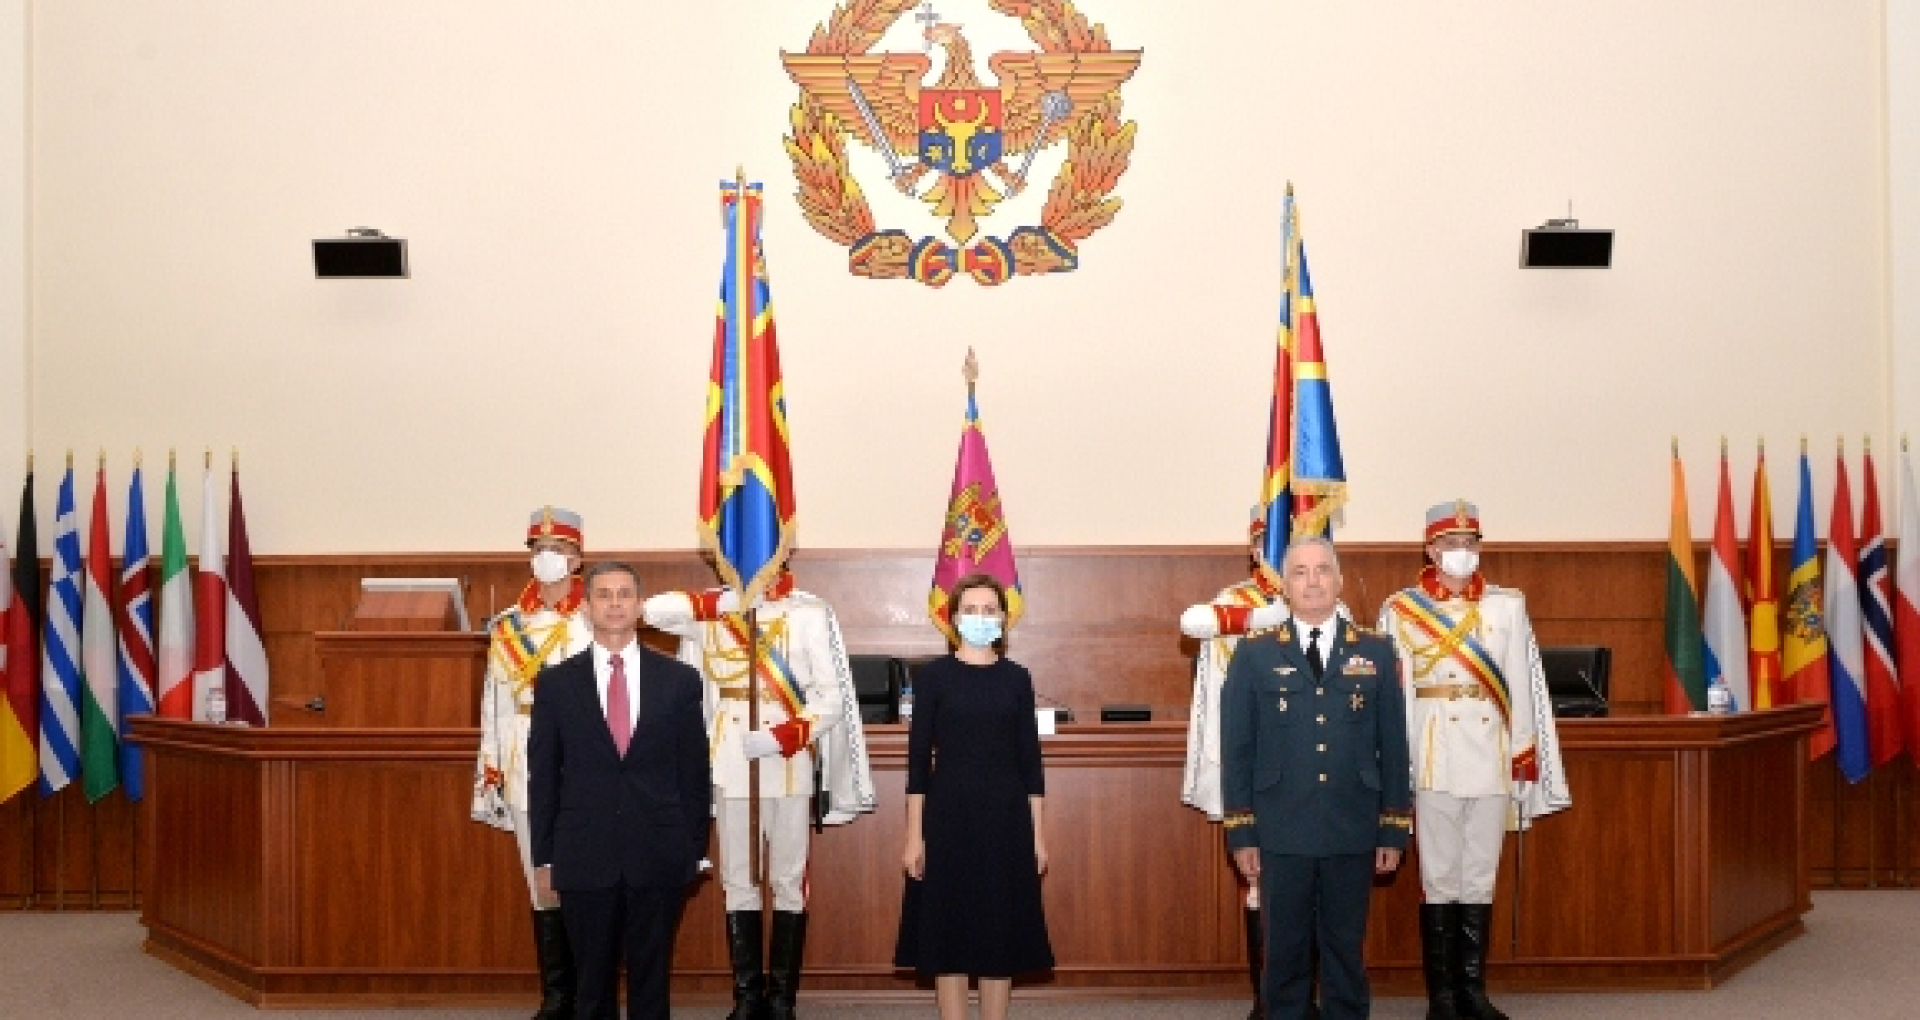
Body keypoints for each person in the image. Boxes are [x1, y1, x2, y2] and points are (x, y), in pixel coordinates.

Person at [643, 563, 874, 1020]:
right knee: (738, 882)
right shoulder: (712, 611)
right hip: (731, 760)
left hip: (788, 760)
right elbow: (650, 612)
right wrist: (719, 602)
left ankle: (782, 1000)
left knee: (788, 882)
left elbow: (830, 698)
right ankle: (747, 999)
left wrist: (785, 735)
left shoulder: (807, 613)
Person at [1377, 501, 1571, 1020]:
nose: (1460, 553)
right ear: (1429, 548)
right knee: (1439, 876)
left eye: (1469, 543)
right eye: (1449, 544)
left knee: (1480, 874)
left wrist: (1525, 753)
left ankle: (1473, 991)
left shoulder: (1508, 606)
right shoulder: (1401, 610)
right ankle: (1441, 997)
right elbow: (1391, 697)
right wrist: (1398, 765)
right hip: (1432, 749)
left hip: (1490, 754)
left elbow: (1525, 685)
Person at [1221, 537, 1410, 1020]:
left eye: (1322, 570)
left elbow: (1393, 745)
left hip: (1352, 826)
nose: (1312, 581)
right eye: (1301, 572)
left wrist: (1392, 825)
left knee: (1346, 953)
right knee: (1284, 957)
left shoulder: (1376, 650)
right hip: (1280, 829)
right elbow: (1237, 749)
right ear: (1285, 585)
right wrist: (1242, 830)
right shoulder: (1254, 655)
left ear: (1339, 580)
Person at [528, 561, 710, 1020]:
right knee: (592, 989)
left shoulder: (680, 681)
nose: (614, 603)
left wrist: (691, 848)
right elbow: (544, 777)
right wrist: (544, 857)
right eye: (604, 595)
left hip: (659, 852)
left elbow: (694, 773)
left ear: (639, 606)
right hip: (584, 855)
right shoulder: (555, 684)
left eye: (624, 594)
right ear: (586, 607)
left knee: (652, 986)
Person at [895, 573, 1053, 1020]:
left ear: (1004, 619)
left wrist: (1038, 837)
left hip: (1006, 821)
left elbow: (1031, 765)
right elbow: (917, 765)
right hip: (946, 819)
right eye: (971, 610)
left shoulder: (1017, 679)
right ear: (953, 618)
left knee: (998, 936)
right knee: (950, 936)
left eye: (989, 610)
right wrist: (913, 837)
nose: (980, 618)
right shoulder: (934, 678)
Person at [471, 506, 592, 1019]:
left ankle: (589, 995)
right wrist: (492, 765)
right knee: (539, 881)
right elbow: (494, 702)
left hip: (580, 768)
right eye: (539, 550)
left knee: (584, 881)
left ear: (578, 559)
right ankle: (556, 996)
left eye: (558, 551)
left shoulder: (592, 621)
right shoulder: (508, 628)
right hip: (524, 764)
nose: (548, 559)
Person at [1179, 514, 1290, 1018]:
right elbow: (1191, 623)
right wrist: (1261, 618)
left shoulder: (1331, 602)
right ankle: (1267, 1001)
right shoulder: (1232, 600)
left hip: (1314, 767)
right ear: (1252, 546)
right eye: (1268, 539)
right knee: (1260, 881)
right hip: (1255, 767)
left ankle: (1302, 998)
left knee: (1311, 887)